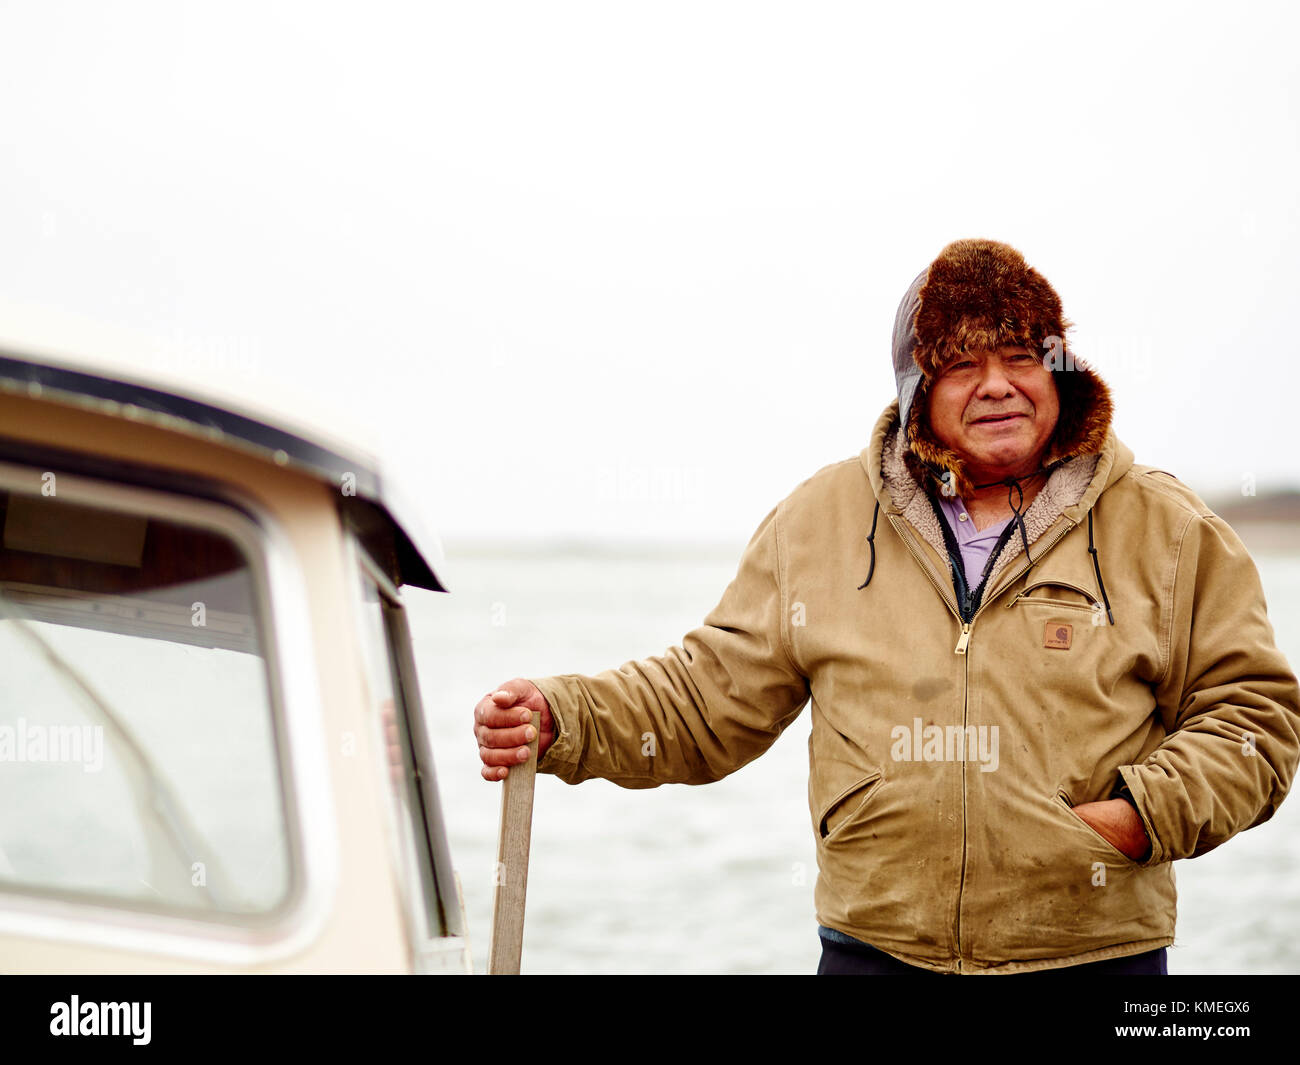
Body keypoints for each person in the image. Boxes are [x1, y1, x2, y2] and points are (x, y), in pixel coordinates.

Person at [473, 238, 1300, 974]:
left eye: (1021, 356)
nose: (999, 387)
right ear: (916, 391)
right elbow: (705, 698)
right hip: (874, 955)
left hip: (1093, 960)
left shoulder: (1167, 527)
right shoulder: (820, 521)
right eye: (963, 365)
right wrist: (561, 717)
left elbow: (1254, 715)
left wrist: (1137, 816)